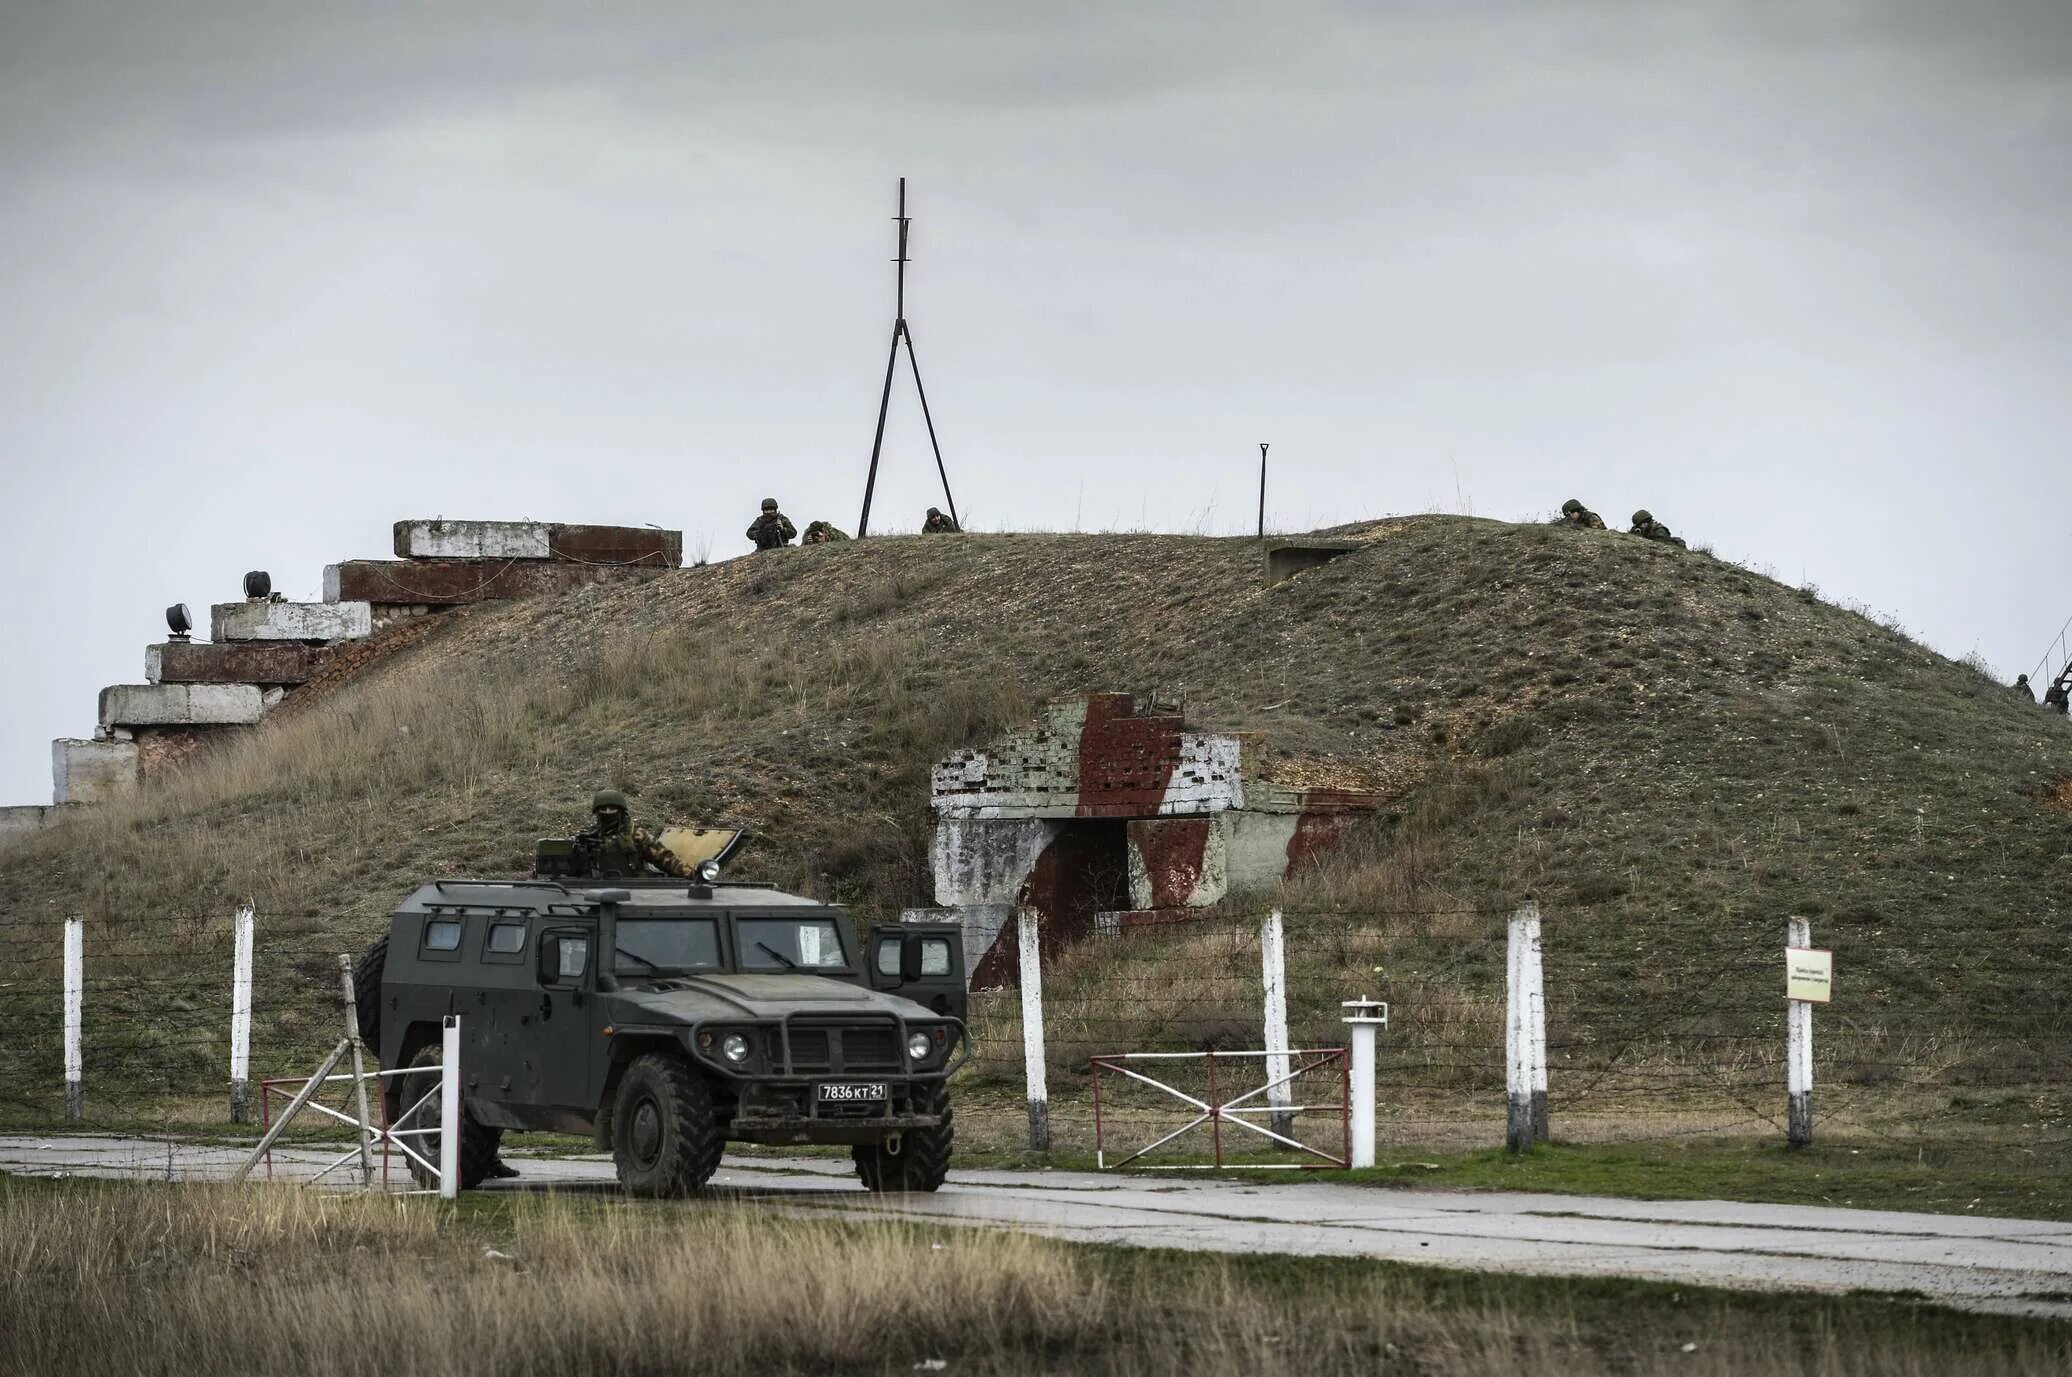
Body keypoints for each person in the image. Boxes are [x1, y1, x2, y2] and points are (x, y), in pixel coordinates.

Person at [580, 790, 688, 878]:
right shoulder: (588, 836)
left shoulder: (637, 835)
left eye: (612, 809)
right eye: (603, 809)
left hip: (634, 889)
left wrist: (694, 874)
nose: (608, 812)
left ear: (621, 811)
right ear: (597, 812)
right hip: (596, 889)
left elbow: (665, 859)